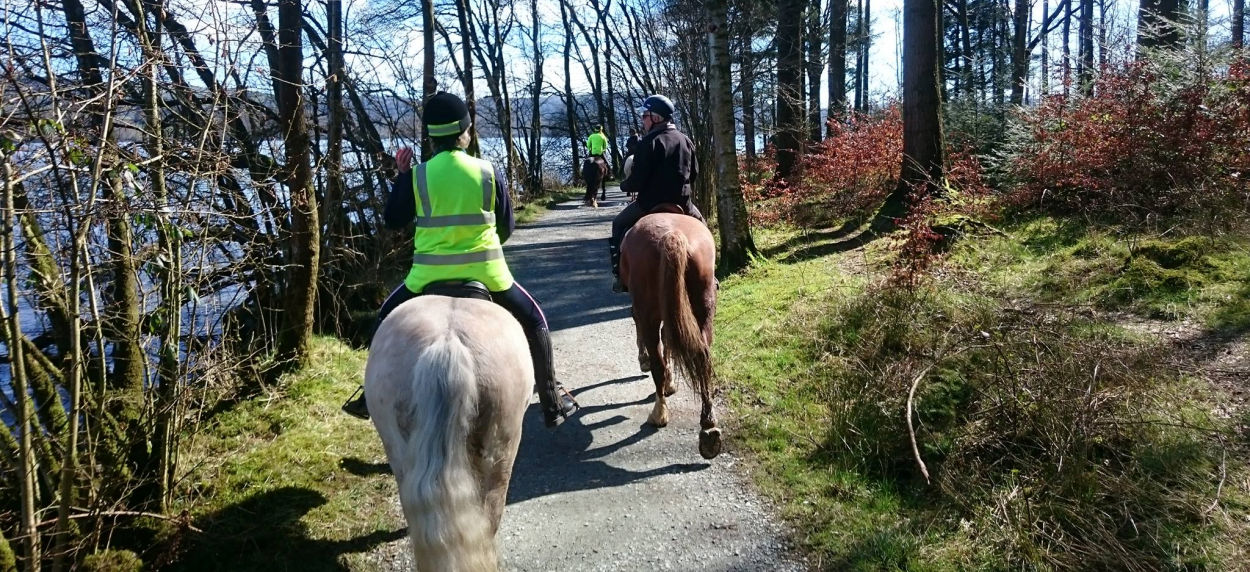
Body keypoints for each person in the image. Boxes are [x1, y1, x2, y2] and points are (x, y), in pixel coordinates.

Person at [343, 91, 579, 427]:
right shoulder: (487, 172)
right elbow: (507, 228)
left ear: (431, 137)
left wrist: (400, 175)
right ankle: (552, 401)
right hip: (488, 275)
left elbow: (393, 220)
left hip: (424, 278)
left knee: (384, 318)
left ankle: (368, 398)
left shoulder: (417, 175)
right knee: (535, 317)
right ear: (465, 132)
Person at [608, 95, 706, 293]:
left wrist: (624, 186)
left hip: (649, 204)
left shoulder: (648, 142)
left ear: (656, 117)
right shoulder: (686, 140)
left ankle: (620, 274)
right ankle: (711, 275)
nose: (643, 120)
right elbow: (694, 173)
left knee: (618, 224)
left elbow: (637, 180)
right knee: (703, 229)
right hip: (683, 203)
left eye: (645, 115)